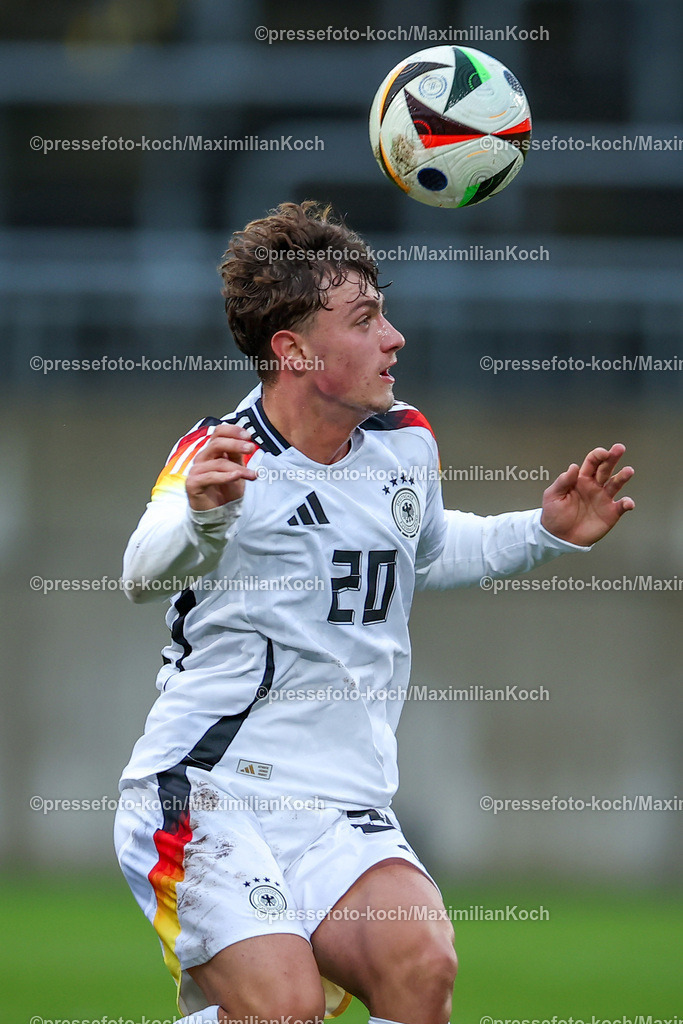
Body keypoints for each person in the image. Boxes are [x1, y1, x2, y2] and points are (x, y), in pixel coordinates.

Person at [115, 201, 635, 1024]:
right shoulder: (222, 455)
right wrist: (204, 516)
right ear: (292, 350)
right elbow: (140, 571)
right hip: (207, 793)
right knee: (286, 1009)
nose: (393, 337)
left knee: (419, 962)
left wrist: (545, 532)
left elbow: (424, 553)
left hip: (341, 805)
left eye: (383, 311)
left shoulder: (404, 443)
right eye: (365, 319)